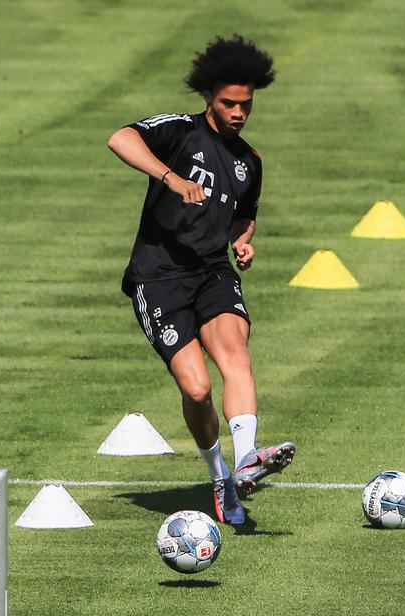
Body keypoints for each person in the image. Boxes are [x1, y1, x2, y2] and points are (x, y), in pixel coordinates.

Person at [106, 35, 294, 525]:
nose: (238, 113)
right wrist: (171, 178)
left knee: (236, 354)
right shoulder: (179, 132)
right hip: (159, 278)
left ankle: (248, 458)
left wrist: (243, 241)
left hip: (212, 273)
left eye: (246, 105)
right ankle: (219, 476)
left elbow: (243, 216)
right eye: (229, 103)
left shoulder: (248, 163)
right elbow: (120, 139)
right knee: (195, 389)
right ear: (208, 96)